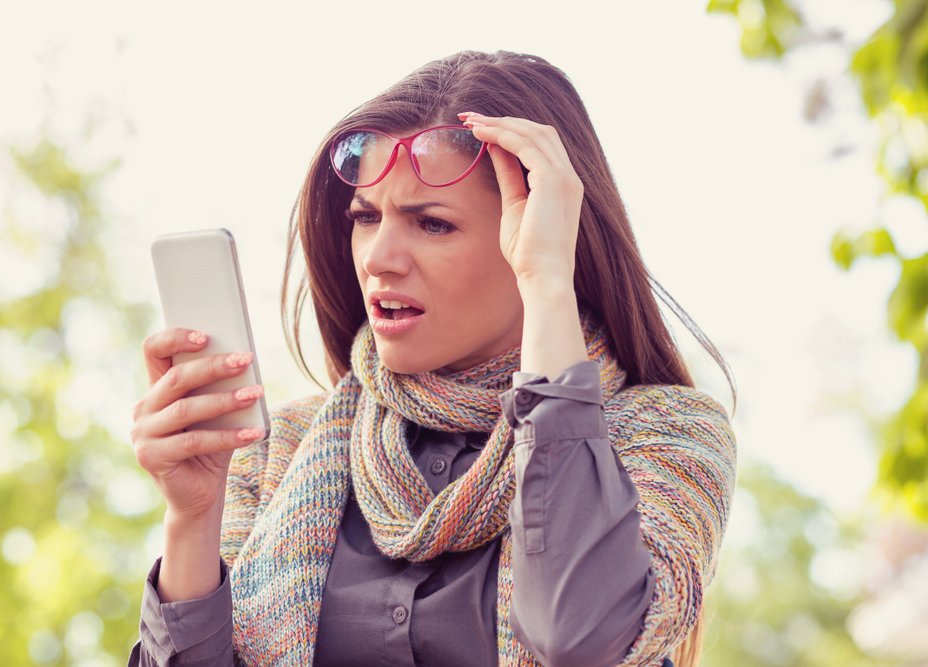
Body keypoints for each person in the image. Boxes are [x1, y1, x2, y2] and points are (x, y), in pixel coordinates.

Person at [128, 50, 738, 667]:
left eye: (433, 224)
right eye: (365, 217)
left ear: (544, 235)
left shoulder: (669, 436)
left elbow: (579, 639)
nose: (378, 257)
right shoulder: (278, 446)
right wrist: (192, 516)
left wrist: (546, 283)